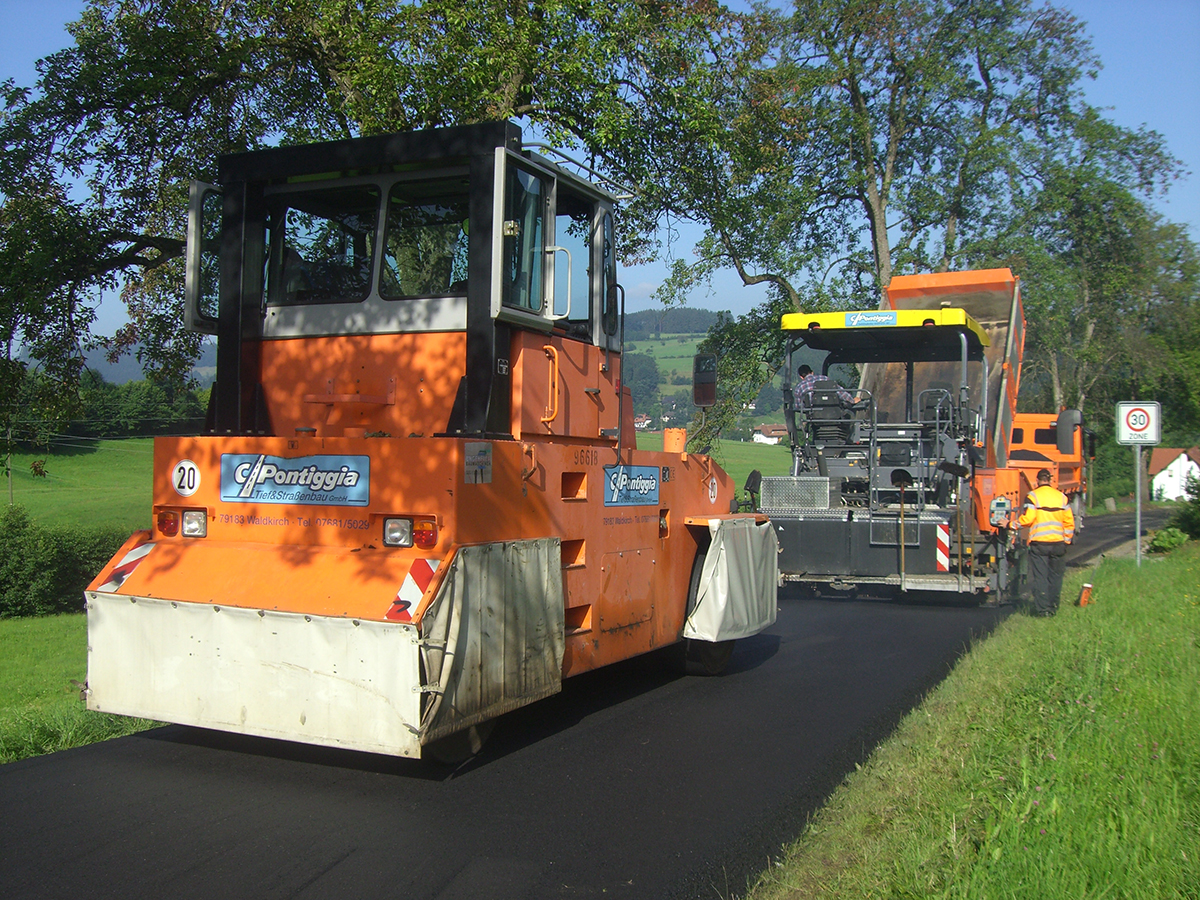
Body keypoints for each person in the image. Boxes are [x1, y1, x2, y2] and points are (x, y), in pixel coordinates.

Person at [1018, 468, 1075, 617]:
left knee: (1041, 577)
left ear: (1037, 481)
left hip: (1039, 544)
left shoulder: (1033, 496)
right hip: (1058, 544)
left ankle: (1042, 610)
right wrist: (1066, 540)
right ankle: (1053, 607)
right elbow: (1069, 522)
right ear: (1050, 480)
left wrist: (1010, 524)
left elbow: (1028, 519)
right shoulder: (1062, 497)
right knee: (1056, 577)